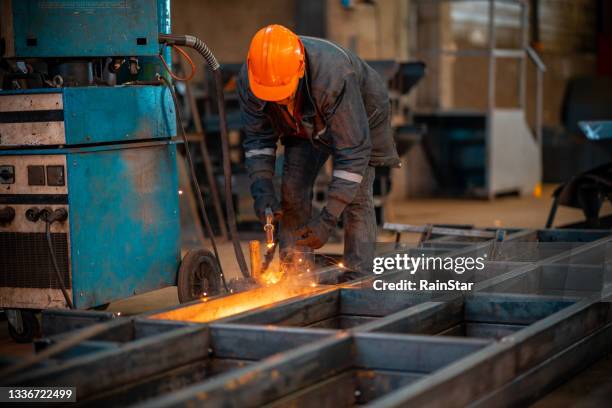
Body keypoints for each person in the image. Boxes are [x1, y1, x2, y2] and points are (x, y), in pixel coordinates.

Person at [238, 24, 400, 276]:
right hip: (303, 124)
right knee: (291, 192)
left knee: (355, 199)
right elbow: (258, 140)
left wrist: (327, 220)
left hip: (361, 114)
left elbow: (352, 154)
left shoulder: (333, 77)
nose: (278, 100)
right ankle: (295, 274)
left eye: (282, 93)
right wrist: (262, 192)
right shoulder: (254, 78)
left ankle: (359, 276)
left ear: (300, 68)